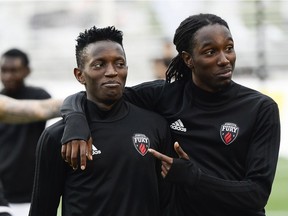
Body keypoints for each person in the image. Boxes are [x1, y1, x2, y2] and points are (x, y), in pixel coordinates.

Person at [60, 13, 281, 216]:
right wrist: (75, 120)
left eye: (229, 48)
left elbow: (256, 194)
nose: (224, 59)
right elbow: (95, 96)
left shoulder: (260, 108)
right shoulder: (164, 96)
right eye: (210, 52)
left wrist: (195, 178)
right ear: (188, 59)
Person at [29, 26, 173, 216]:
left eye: (119, 64)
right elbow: (42, 209)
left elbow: (168, 202)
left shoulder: (155, 125)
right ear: (80, 75)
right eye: (99, 65)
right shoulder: (58, 136)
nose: (112, 72)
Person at [0, 48, 52, 216]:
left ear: (26, 71)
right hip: (3, 196)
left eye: (14, 70)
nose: (8, 76)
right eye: (4, 70)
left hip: (32, 194)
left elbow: (47, 110)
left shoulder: (39, 96)